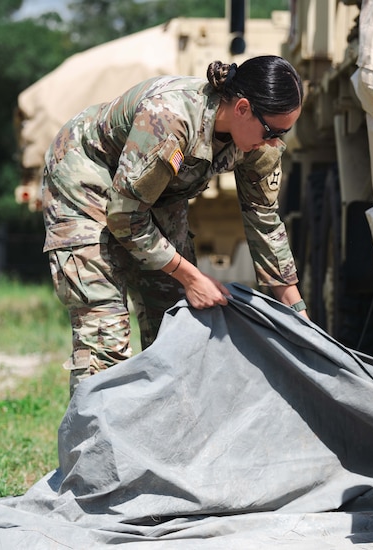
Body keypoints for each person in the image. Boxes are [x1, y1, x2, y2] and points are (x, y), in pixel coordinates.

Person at [42, 55, 307, 396]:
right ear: (242, 108)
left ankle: (159, 444)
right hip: (85, 181)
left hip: (152, 197)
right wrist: (193, 277)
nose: (275, 142)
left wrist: (298, 315)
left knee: (176, 328)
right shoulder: (170, 119)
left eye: (285, 132)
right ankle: (96, 446)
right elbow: (125, 217)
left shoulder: (258, 144)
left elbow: (265, 222)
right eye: (272, 131)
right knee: (104, 339)